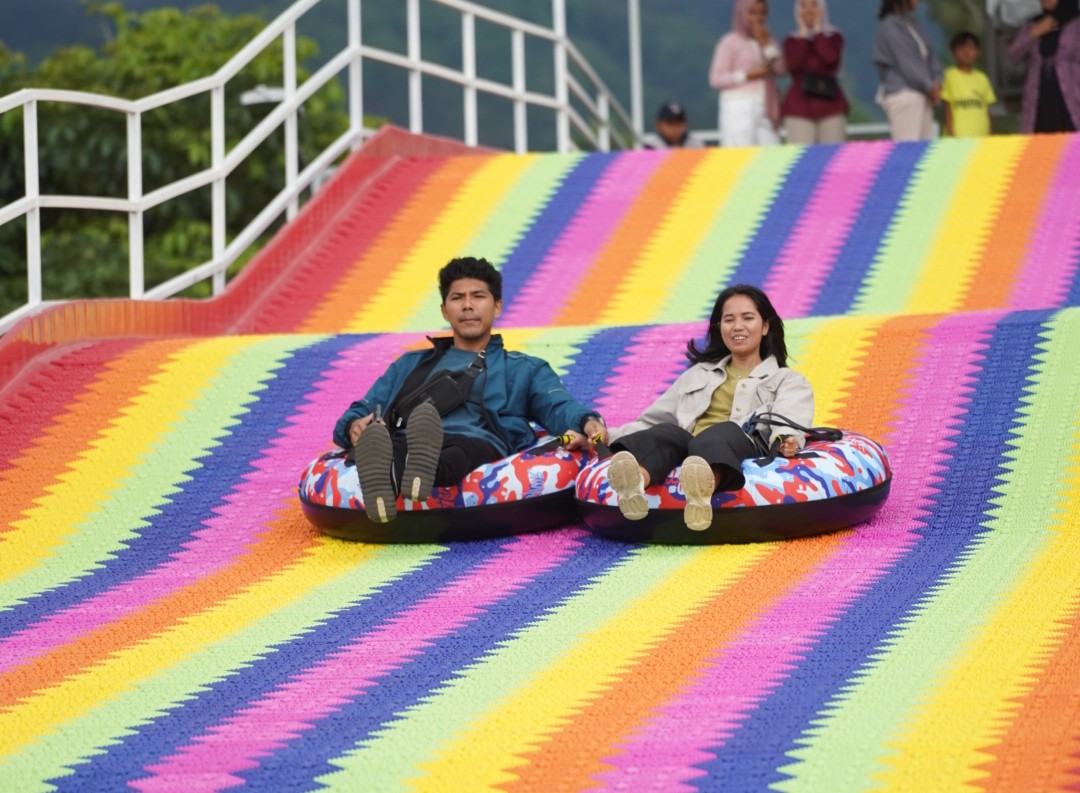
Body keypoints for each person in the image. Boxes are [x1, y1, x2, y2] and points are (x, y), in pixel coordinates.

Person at [333, 256, 608, 523]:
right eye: (457, 298)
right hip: (408, 436)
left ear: (497, 306)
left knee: (459, 450)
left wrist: (586, 420)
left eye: (478, 296)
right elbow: (363, 408)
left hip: (477, 439)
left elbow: (558, 406)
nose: (467, 306)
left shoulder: (523, 369)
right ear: (444, 310)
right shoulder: (409, 365)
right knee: (394, 442)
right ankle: (391, 472)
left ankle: (406, 471)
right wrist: (353, 426)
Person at [606, 285, 814, 531]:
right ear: (720, 328)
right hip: (691, 443)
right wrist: (606, 436)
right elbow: (653, 420)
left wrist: (785, 440)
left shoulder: (786, 379)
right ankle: (635, 485)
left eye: (747, 318)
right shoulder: (698, 374)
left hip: (742, 441)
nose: (737, 326)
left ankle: (701, 494)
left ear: (765, 326)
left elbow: (789, 417)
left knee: (718, 435)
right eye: (729, 320)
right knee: (667, 433)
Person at [709, 0, 787, 147]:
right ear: (742, 13)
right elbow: (716, 79)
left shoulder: (768, 39)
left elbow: (781, 69)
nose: (758, 18)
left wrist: (764, 42)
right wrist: (747, 75)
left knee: (770, 159)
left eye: (762, 13)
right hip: (739, 106)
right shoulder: (730, 41)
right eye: (752, 12)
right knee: (740, 159)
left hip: (767, 107)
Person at [780, 0, 850, 144]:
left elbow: (830, 59)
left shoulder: (834, 37)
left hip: (830, 105)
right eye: (803, 6)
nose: (809, 10)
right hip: (799, 106)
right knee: (800, 156)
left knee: (834, 156)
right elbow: (793, 65)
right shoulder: (791, 41)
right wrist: (803, 35)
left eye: (814, 5)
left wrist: (818, 31)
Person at [873, 0, 943, 141]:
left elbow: (929, 55)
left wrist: (937, 80)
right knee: (907, 150)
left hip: (923, 95)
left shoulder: (911, 23)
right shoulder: (890, 25)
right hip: (904, 94)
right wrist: (930, 86)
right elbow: (906, 63)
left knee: (924, 152)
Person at [1007, 0, 1080, 133]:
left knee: (1072, 147)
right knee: (1042, 147)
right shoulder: (1033, 23)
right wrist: (1034, 33)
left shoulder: (1076, 24)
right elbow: (1014, 56)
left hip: (1071, 95)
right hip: (1039, 96)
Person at [941, 32, 998, 137]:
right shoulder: (948, 76)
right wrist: (951, 135)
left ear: (978, 52)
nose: (966, 53)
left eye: (971, 48)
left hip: (981, 137)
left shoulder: (982, 78)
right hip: (958, 138)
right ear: (953, 52)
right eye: (961, 49)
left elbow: (987, 111)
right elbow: (947, 109)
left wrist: (990, 134)